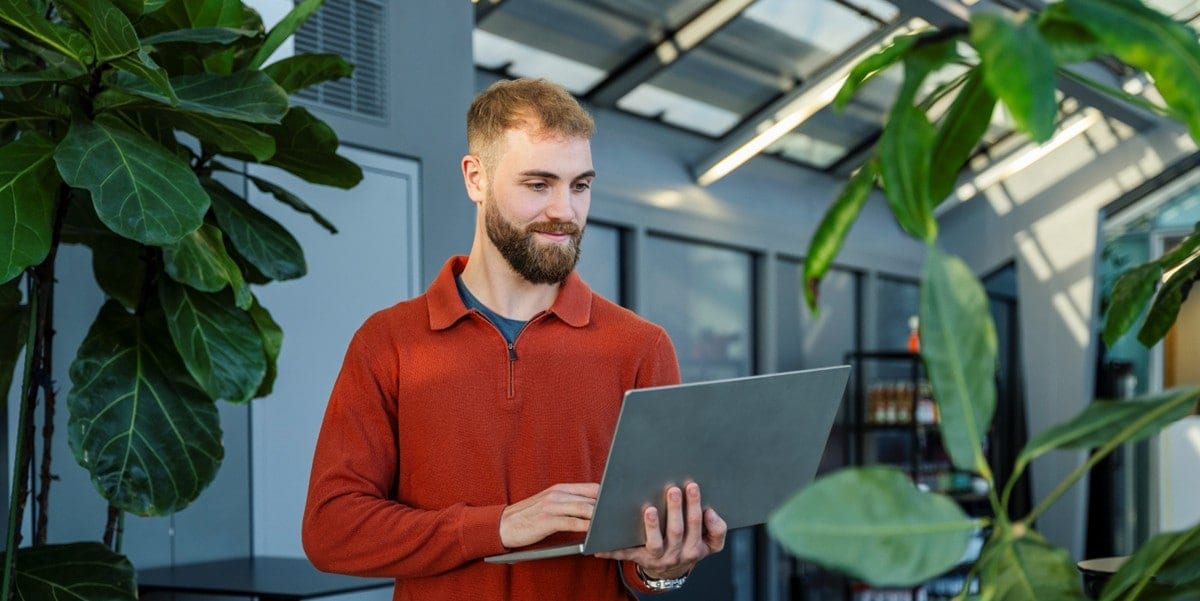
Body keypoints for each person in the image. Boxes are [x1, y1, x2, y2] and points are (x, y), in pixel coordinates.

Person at [302, 78, 727, 600]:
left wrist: (664, 568)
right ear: (475, 178)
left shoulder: (640, 347)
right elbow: (332, 531)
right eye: (538, 185)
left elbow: (649, 555)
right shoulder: (389, 342)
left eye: (580, 186)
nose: (565, 211)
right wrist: (499, 526)